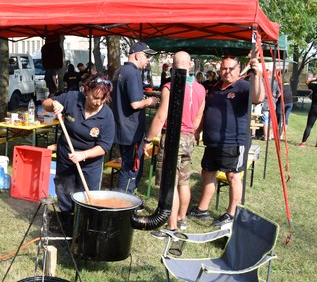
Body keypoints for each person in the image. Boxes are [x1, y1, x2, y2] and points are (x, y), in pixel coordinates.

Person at [187, 56, 265, 227]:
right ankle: (202, 209)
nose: (227, 72)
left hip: (234, 141)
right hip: (212, 142)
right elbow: (205, 112)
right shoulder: (215, 87)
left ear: (238, 70)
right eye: (224, 68)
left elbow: (258, 98)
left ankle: (231, 214)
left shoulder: (244, 87)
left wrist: (258, 75)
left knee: (232, 177)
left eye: (231, 69)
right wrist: (197, 131)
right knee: (207, 173)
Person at [42, 74, 115, 226]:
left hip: (90, 163)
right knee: (64, 189)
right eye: (95, 97)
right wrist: (54, 104)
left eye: (102, 99)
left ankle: (83, 225)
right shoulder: (72, 98)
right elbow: (45, 104)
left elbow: (104, 146)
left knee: (87, 196)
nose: (97, 102)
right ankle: (66, 221)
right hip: (66, 154)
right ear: (86, 91)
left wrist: (84, 155)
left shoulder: (107, 116)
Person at [146, 52, 205, 236]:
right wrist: (192, 134)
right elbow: (199, 116)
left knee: (170, 182)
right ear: (190, 65)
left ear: (173, 66)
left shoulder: (170, 87)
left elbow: (161, 116)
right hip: (189, 137)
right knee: (183, 181)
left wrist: (148, 139)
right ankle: (181, 218)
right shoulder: (200, 88)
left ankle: (171, 227)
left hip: (173, 137)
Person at [111, 41, 158, 193]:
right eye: (147, 56)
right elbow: (135, 104)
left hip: (121, 128)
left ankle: (124, 198)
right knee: (131, 168)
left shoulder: (118, 72)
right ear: (137, 56)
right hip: (131, 131)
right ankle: (124, 200)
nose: (148, 60)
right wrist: (149, 101)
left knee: (127, 164)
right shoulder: (133, 73)